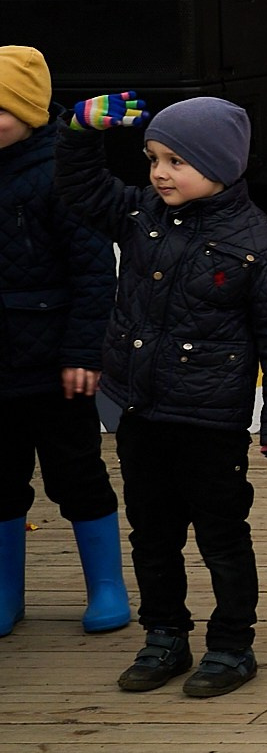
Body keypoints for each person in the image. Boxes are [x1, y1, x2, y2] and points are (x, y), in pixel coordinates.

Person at [57, 93, 267, 698]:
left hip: (210, 421)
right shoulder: (141, 214)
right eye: (152, 159)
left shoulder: (259, 243)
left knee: (221, 532)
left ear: (220, 165)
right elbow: (82, 190)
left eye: (176, 161)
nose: (160, 173)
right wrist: (79, 131)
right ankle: (164, 634)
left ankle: (231, 644)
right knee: (152, 531)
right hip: (141, 410)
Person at [0, 47, 125, 640]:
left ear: (26, 111)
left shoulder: (57, 175)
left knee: (74, 473)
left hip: (55, 366)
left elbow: (96, 272)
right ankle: (7, 591)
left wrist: (82, 353)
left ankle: (106, 586)